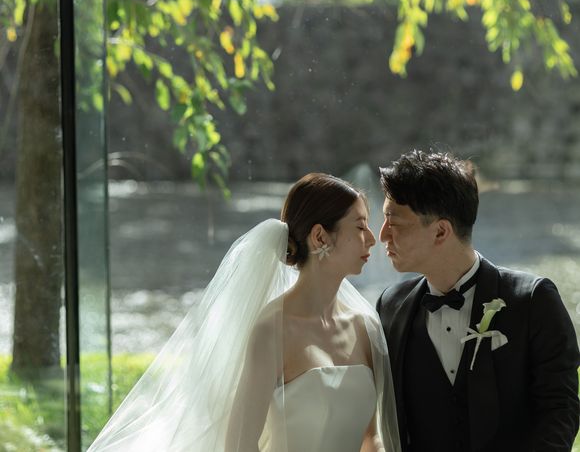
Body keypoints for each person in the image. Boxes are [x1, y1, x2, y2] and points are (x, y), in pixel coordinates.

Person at [88, 173, 401, 452]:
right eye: (360, 226)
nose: (372, 238)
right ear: (320, 236)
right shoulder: (273, 330)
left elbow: (371, 439)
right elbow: (239, 445)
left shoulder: (364, 327)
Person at [376, 150, 580, 452]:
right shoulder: (390, 306)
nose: (383, 235)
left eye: (394, 223)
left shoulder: (533, 300)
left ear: (441, 231)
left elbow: (560, 409)